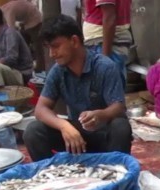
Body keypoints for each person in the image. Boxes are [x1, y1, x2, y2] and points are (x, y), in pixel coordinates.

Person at [24, 15, 132, 162]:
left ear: (74, 41)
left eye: (56, 46)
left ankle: (117, 173)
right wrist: (63, 126)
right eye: (49, 48)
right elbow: (40, 109)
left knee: (121, 127)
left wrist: (101, 115)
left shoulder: (105, 66)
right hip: (76, 136)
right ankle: (51, 176)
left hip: (103, 134)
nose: (51, 54)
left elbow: (119, 107)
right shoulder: (57, 71)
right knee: (33, 131)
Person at [82, 0, 132, 89]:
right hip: (106, 44)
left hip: (103, 44)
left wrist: (104, 58)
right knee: (112, 93)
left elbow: (109, 17)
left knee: (105, 94)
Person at [0, 0, 45, 72]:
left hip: (35, 19)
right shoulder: (3, 9)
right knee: (23, 45)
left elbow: (11, 31)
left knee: (37, 46)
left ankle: (41, 67)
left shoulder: (7, 12)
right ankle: (25, 65)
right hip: (25, 21)